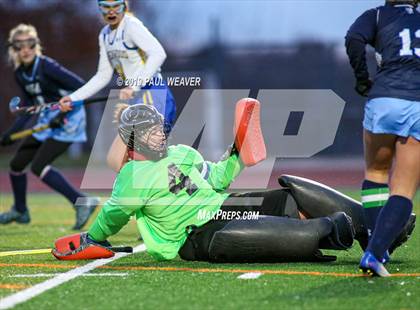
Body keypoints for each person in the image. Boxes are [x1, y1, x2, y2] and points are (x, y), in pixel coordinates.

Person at [52, 99, 415, 263]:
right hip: (195, 235)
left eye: (159, 127)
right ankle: (338, 230)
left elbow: (219, 178)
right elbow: (114, 213)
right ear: (133, 139)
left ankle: (378, 229)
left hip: (225, 205)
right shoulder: (130, 175)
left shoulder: (182, 153)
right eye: (148, 131)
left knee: (292, 192)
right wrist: (94, 237)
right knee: (304, 228)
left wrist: (236, 153)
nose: (159, 134)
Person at [346, 0, 419, 276]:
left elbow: (353, 38)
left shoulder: (377, 15)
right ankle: (374, 253)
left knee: (376, 173)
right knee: (403, 189)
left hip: (383, 99)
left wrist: (363, 79)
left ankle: (378, 249)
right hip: (417, 103)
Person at [0, 24, 98, 229]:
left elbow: (82, 87)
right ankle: (20, 210)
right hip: (47, 120)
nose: (25, 49)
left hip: (69, 119)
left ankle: (82, 202)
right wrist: (10, 134)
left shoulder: (47, 66)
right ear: (13, 49)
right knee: (17, 164)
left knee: (38, 166)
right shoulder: (20, 72)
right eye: (19, 46)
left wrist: (63, 114)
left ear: (36, 45)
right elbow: (29, 108)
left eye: (30, 44)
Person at [58, 0, 176, 133]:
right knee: (131, 151)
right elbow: (102, 76)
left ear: (124, 6)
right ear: (100, 8)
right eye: (106, 7)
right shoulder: (104, 35)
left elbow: (158, 53)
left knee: (148, 149)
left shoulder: (131, 26)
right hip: (135, 98)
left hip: (153, 93)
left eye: (116, 6)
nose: (111, 11)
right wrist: (74, 98)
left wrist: (134, 86)